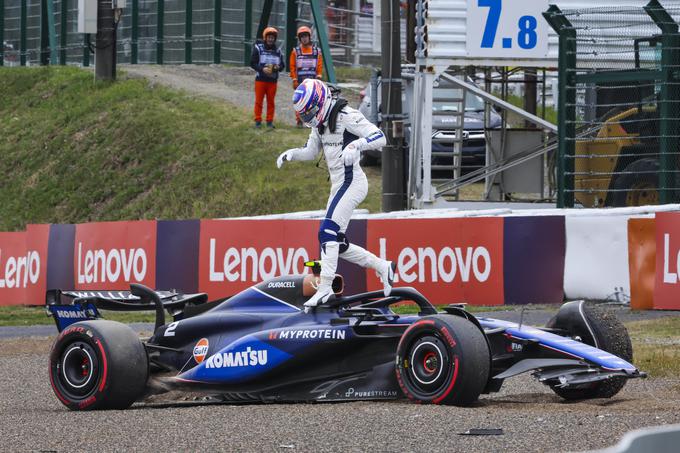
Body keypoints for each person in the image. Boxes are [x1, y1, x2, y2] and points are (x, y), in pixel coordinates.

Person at [276, 79, 395, 308]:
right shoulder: (318, 124)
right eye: (305, 114)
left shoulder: (346, 115)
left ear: (320, 101)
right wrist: (292, 153)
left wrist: (355, 146)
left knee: (327, 232)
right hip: (338, 185)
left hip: (353, 182)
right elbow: (311, 152)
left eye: (310, 111)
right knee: (336, 243)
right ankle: (383, 266)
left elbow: (380, 136)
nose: (309, 118)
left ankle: (325, 288)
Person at [250, 27, 285, 129]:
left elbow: (282, 65)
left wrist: (278, 67)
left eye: (272, 38)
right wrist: (261, 69)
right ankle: (257, 121)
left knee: (271, 102)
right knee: (258, 101)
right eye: (269, 37)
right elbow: (252, 63)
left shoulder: (278, 51)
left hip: (272, 81)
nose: (270, 39)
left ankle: (269, 121)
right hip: (260, 80)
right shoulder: (258, 48)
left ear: (275, 39)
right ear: (265, 38)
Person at [289, 26, 324, 128]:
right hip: (300, 81)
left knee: (314, 101)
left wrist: (319, 76)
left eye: (306, 36)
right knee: (299, 101)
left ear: (309, 37)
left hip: (313, 82)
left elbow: (319, 65)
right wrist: (294, 79)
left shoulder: (316, 51)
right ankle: (299, 121)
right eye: (302, 37)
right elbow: (292, 66)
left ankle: (313, 121)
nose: (304, 38)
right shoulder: (295, 52)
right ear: (299, 38)